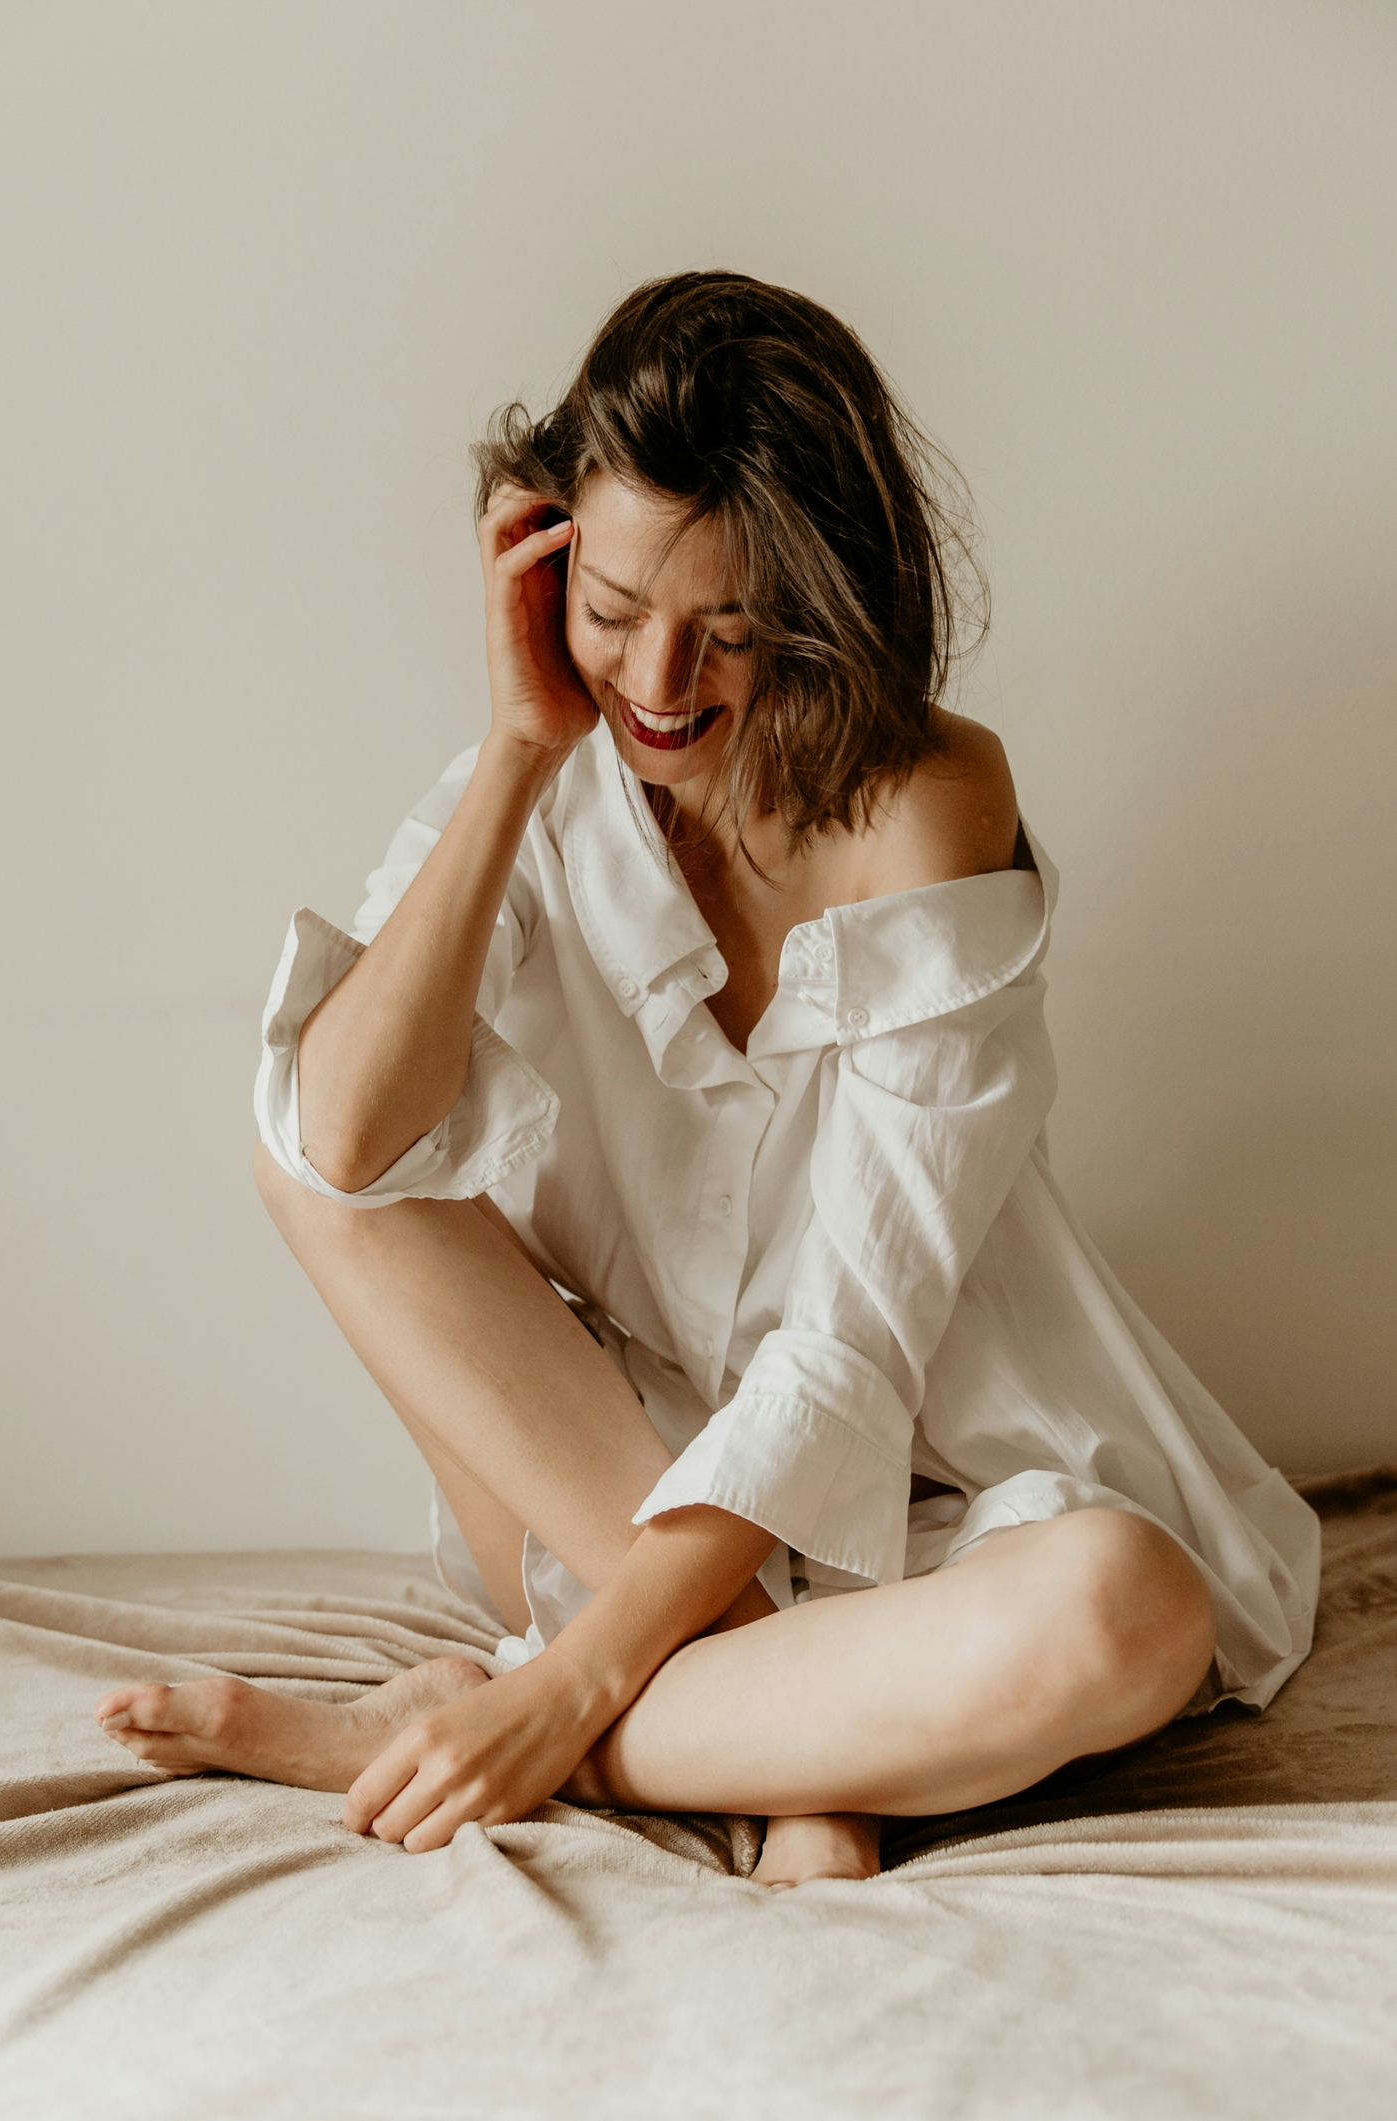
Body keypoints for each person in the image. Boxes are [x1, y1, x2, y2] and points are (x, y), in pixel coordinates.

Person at [95, 271, 1319, 1887]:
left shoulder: (921, 805)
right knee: (311, 1155)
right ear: (544, 564)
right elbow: (341, 1138)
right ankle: (790, 1738)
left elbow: (848, 1351)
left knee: (1126, 1608)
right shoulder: (543, 777)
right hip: (623, 1502)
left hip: (932, 1499)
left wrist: (567, 1685)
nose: (658, 683)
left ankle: (505, 1734)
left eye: (728, 630)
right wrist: (524, 747)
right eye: (610, 612)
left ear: (821, 609)